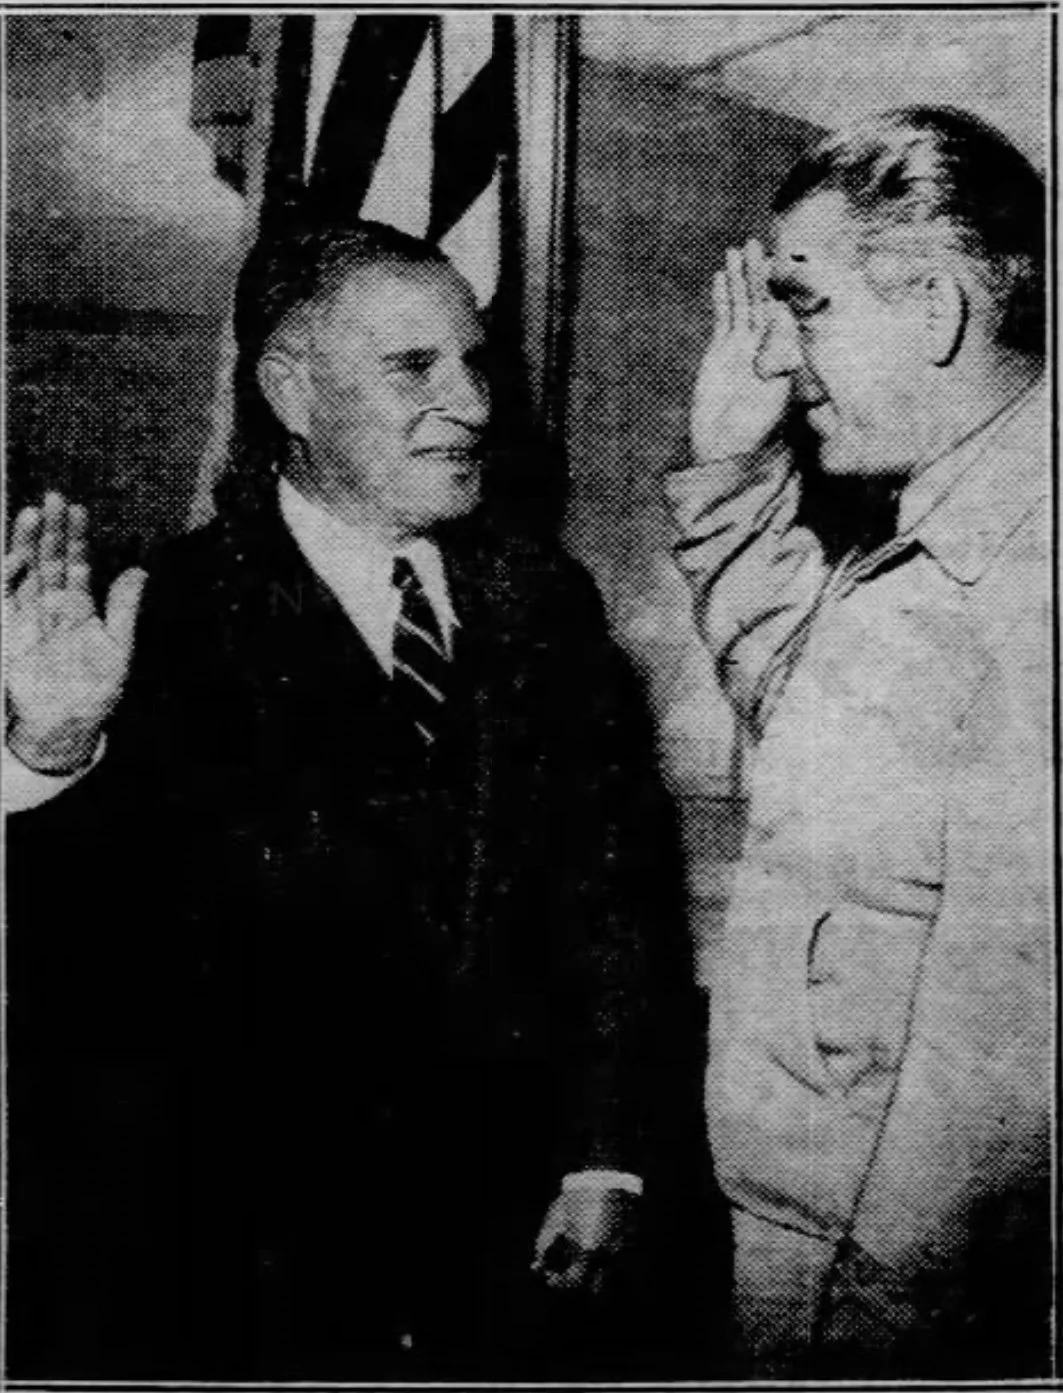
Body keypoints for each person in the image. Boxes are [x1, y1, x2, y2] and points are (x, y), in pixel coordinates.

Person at [5, 220, 696, 1380]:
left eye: (474, 363)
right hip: (241, 1266)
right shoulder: (162, 615)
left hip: (510, 1250)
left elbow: (620, 907)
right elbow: (72, 975)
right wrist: (52, 749)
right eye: (414, 367)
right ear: (291, 391)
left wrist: (606, 1158)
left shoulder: (544, 597)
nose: (469, 404)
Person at [665, 107, 1051, 1377]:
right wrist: (730, 474)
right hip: (824, 1246)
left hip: (890, 1295)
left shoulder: (1025, 578)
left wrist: (877, 1321)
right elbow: (814, 729)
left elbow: (1002, 1072)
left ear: (935, 307)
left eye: (807, 306)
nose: (778, 355)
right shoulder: (941, 530)